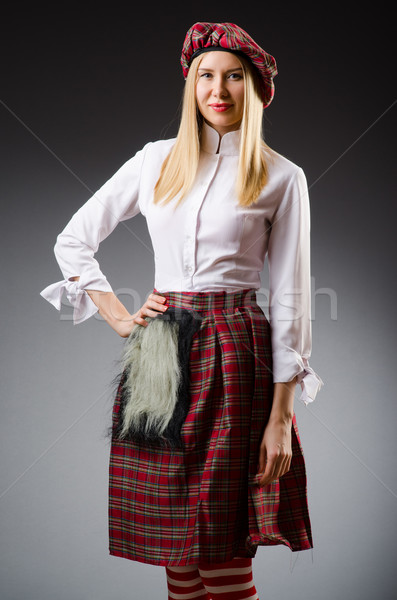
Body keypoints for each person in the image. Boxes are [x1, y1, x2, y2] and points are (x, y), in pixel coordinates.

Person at [40, 21, 324, 600]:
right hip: (160, 355)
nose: (218, 90)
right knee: (178, 552)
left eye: (234, 77)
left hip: (238, 351)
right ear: (191, 85)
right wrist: (121, 317)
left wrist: (280, 420)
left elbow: (292, 299)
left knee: (221, 550)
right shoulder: (154, 160)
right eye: (206, 76)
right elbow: (73, 241)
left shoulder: (282, 177)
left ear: (257, 88)